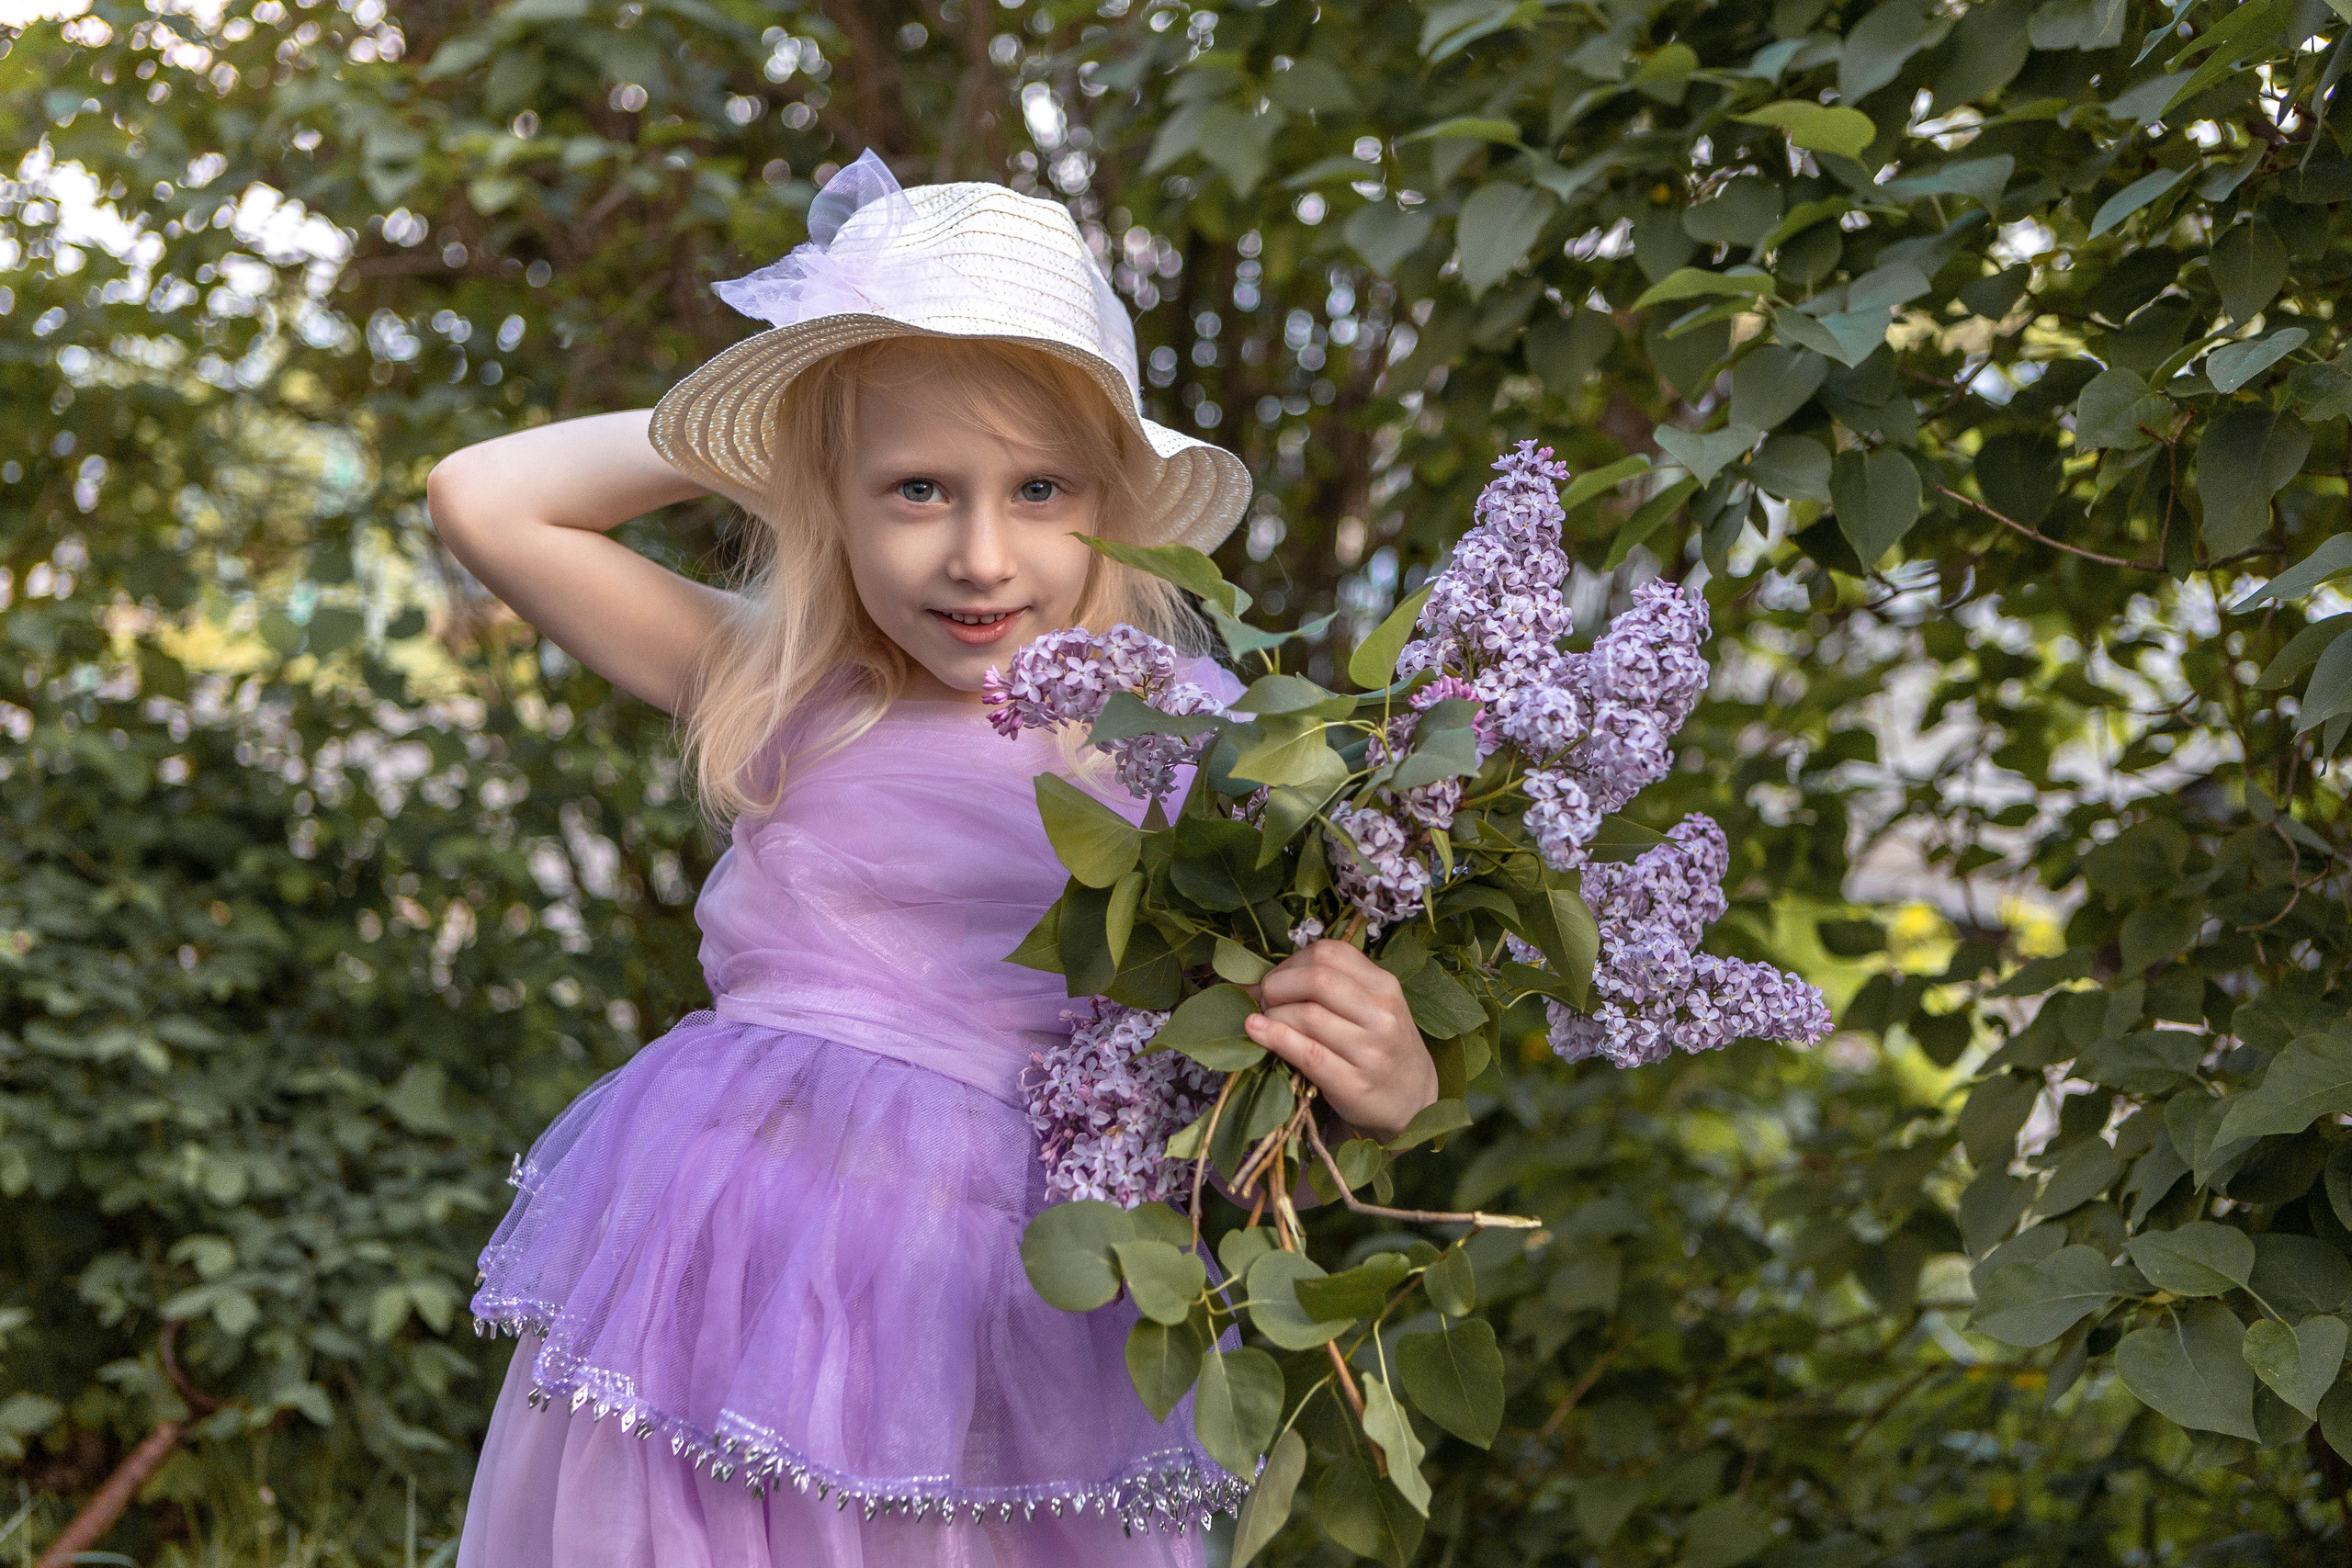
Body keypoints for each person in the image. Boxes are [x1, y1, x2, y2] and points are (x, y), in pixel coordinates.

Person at [425, 152, 1439, 1568]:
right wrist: (796, 397)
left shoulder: (1201, 757)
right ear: (826, 501)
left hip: (1006, 1318)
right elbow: (486, 497)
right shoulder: (786, 692)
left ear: (1119, 503)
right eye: (914, 488)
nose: (980, 553)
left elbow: (1243, 1090)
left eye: (1040, 487)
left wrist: (1382, 1087)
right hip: (734, 1281)